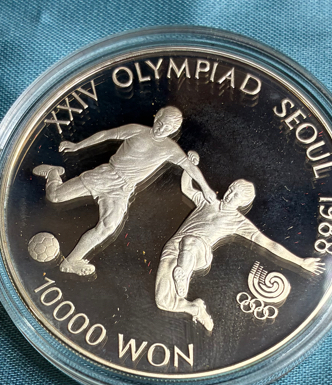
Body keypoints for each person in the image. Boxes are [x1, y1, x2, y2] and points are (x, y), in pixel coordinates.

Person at [33, 106, 216, 275]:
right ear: (156, 118)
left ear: (173, 131)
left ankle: (72, 261)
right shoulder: (137, 130)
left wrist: (206, 188)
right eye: (161, 124)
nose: (162, 129)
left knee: (108, 226)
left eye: (168, 128)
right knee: (55, 196)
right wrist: (77, 145)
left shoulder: (170, 149)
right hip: (107, 175)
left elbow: (189, 167)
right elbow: (106, 135)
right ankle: (53, 173)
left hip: (123, 189)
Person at [155, 152, 325, 331]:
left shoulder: (238, 222)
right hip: (173, 247)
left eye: (235, 195)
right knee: (163, 301)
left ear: (242, 202)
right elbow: (186, 188)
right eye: (231, 190)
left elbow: (269, 244)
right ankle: (195, 308)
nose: (230, 195)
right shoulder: (208, 201)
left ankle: (183, 274)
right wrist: (189, 165)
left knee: (190, 241)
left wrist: (300, 262)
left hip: (198, 251)